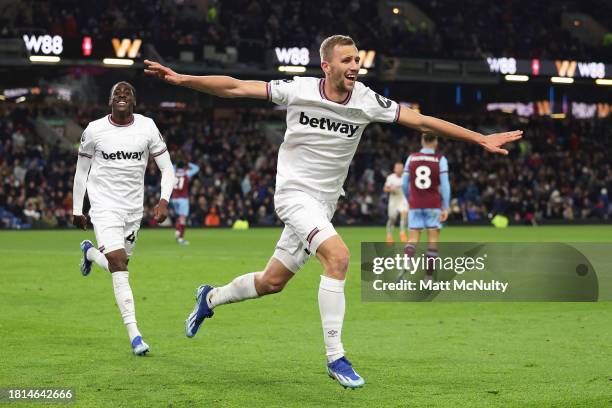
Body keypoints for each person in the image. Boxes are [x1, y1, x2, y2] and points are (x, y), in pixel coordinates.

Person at [144, 34, 521, 388]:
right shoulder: (299, 89)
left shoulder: (367, 100)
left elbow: (420, 121)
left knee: (272, 282)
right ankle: (335, 356)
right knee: (338, 257)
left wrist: (479, 138)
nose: (355, 65)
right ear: (326, 66)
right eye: (346, 60)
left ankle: (209, 298)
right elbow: (236, 86)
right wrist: (183, 80)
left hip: (324, 204)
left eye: (357, 59)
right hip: (293, 195)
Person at [72, 82, 175, 356]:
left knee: (120, 262)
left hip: (133, 210)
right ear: (109, 101)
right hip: (104, 207)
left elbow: (167, 169)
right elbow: (82, 172)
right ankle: (135, 335)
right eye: (116, 92)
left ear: (134, 101)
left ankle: (91, 253)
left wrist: (164, 199)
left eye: (127, 92)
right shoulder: (94, 130)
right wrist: (76, 209)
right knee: (119, 264)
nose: (121, 95)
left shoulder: (147, 127)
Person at [402, 134, 450, 281]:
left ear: (422, 140)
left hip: (415, 204)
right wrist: (446, 207)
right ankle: (428, 278)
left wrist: (410, 198)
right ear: (436, 141)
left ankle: (404, 272)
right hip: (433, 205)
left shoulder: (411, 158)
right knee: (433, 241)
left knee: (412, 239)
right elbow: (445, 185)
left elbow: (404, 184)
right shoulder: (440, 159)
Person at [171, 160, 200, 245]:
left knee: (179, 216)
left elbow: (171, 166)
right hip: (183, 199)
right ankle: (181, 239)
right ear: (184, 167)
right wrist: (188, 163)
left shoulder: (173, 172)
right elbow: (196, 168)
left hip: (174, 198)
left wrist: (176, 164)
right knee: (183, 218)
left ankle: (177, 231)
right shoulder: (187, 173)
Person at [383, 162, 409, 243]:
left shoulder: (406, 177)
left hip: (402, 198)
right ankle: (389, 235)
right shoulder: (391, 178)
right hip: (394, 199)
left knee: (404, 214)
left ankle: (402, 233)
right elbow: (385, 189)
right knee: (392, 218)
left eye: (401, 168)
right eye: (397, 168)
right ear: (394, 169)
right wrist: (391, 189)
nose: (399, 170)